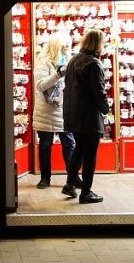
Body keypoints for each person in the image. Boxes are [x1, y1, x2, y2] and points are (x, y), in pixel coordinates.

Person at [61, 29, 108, 204]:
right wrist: (106, 109)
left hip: (73, 113)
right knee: (90, 155)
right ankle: (86, 192)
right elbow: (99, 91)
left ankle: (70, 183)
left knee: (79, 149)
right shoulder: (94, 63)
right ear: (98, 44)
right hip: (89, 115)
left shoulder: (74, 60)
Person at [32, 34, 76, 190]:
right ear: (56, 46)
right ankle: (45, 178)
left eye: (68, 46)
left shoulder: (70, 62)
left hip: (64, 109)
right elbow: (40, 86)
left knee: (69, 144)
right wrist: (58, 74)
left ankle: (73, 177)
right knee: (45, 145)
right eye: (64, 46)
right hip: (46, 111)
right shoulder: (43, 63)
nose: (67, 49)